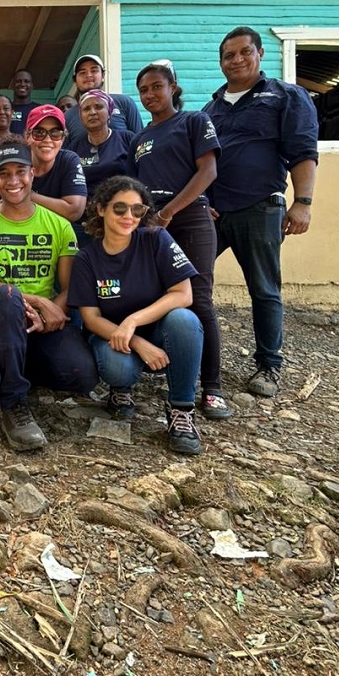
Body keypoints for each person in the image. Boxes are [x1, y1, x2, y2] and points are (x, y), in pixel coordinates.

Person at [203, 27, 318, 397]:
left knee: (264, 290)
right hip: (215, 214)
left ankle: (269, 365)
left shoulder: (285, 97)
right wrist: (203, 203)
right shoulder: (212, 108)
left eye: (243, 52)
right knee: (189, 280)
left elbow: (303, 151)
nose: (236, 60)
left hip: (259, 208)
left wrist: (303, 202)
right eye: (228, 55)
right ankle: (191, 356)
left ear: (260, 53)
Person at [0, 140, 97, 452]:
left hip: (41, 324)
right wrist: (38, 302)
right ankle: (14, 403)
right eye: (3, 174)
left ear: (33, 173)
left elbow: (67, 288)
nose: (13, 181)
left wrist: (54, 310)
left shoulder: (61, 226)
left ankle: (15, 366)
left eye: (20, 172)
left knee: (83, 375)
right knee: (8, 297)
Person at [68, 176, 204, 456]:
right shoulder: (86, 258)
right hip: (110, 336)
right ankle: (121, 390)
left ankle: (181, 410)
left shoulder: (156, 239)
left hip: (155, 330)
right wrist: (137, 342)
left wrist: (133, 322)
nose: (128, 216)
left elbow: (183, 294)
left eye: (137, 210)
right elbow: (91, 318)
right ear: (101, 209)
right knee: (119, 368)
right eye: (119, 208)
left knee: (185, 320)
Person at [130, 60, 229, 419]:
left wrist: (170, 211)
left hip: (188, 219)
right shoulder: (140, 138)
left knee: (198, 298)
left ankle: (212, 388)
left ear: (173, 87)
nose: (150, 95)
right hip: (150, 224)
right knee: (158, 298)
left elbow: (209, 170)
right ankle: (169, 373)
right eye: (143, 90)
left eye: (157, 86)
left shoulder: (193, 122)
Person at [0, 105, 87, 230]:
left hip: (59, 233)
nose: (47, 139)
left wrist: (25, 195)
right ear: (27, 136)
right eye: (39, 133)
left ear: (63, 138)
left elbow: (74, 211)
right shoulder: (17, 159)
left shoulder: (68, 160)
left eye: (55, 133)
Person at [64, 54, 143, 143]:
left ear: (103, 75)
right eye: (82, 72)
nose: (89, 75)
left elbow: (140, 141)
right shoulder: (68, 117)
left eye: (94, 70)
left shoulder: (124, 102)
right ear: (75, 81)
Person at [69, 91, 133, 194]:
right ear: (81, 117)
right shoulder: (74, 148)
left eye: (98, 107)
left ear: (109, 112)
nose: (92, 112)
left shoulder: (127, 139)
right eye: (86, 109)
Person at [9, 69, 39, 133]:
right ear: (12, 85)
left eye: (26, 81)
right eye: (18, 81)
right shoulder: (6, 110)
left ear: (32, 86)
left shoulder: (39, 109)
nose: (22, 84)